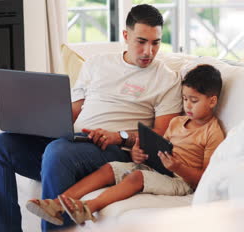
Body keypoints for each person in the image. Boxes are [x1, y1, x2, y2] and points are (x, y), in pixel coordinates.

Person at [0, 4, 183, 232]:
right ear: (126, 36)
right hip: (73, 141)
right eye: (141, 41)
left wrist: (119, 136)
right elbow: (74, 110)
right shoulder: (97, 64)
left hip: (114, 151)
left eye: (155, 42)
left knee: (58, 152)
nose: (149, 51)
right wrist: (36, 122)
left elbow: (161, 135)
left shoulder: (167, 79)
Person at [26, 64, 225, 225]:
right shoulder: (177, 122)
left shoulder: (213, 133)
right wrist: (140, 153)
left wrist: (178, 167)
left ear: (212, 101)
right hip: (158, 168)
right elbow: (163, 148)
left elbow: (205, 178)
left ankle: (88, 208)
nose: (187, 106)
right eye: (184, 99)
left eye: (194, 100)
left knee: (136, 177)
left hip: (181, 181)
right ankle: (56, 203)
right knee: (108, 170)